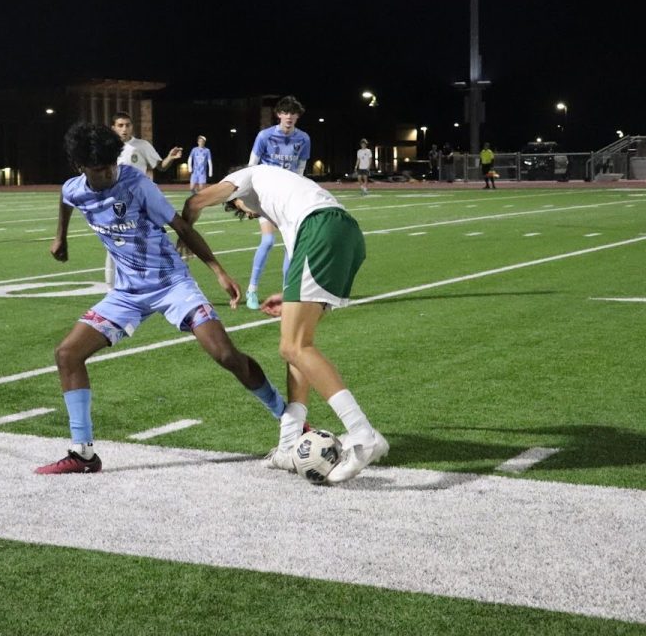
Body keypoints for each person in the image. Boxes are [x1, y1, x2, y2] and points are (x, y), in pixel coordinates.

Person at [36, 123, 288, 475]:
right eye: (99, 170)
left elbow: (182, 228)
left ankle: (288, 419)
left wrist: (218, 271)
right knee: (67, 354)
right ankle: (83, 454)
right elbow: (66, 199)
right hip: (127, 293)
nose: (108, 172)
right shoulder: (75, 189)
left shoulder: (136, 184)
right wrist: (60, 237)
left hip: (172, 285)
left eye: (111, 164)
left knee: (226, 354)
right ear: (82, 169)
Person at [182, 164, 386, 485]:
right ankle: (288, 443)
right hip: (342, 233)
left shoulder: (247, 176)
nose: (251, 215)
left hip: (321, 229)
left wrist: (186, 233)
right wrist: (288, 298)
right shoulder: (288, 196)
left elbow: (196, 201)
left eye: (242, 210)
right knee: (295, 350)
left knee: (294, 346)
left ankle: (363, 434)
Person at [245, 95, 311, 310]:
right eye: (285, 113)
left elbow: (300, 171)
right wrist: (248, 199)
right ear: (279, 115)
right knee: (268, 242)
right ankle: (252, 289)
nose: (289, 117)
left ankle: (287, 292)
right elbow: (251, 166)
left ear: (297, 116)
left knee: (291, 246)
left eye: (293, 113)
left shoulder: (304, 139)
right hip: (266, 196)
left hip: (290, 197)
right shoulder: (264, 136)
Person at [104, 111, 183, 285]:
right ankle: (111, 288)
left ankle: (159, 281)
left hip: (140, 203)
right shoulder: (106, 148)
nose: (124, 129)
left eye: (127, 125)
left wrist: (170, 157)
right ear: (113, 128)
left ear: (132, 126)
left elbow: (160, 166)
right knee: (114, 244)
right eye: (120, 125)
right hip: (115, 203)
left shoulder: (141, 145)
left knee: (149, 240)